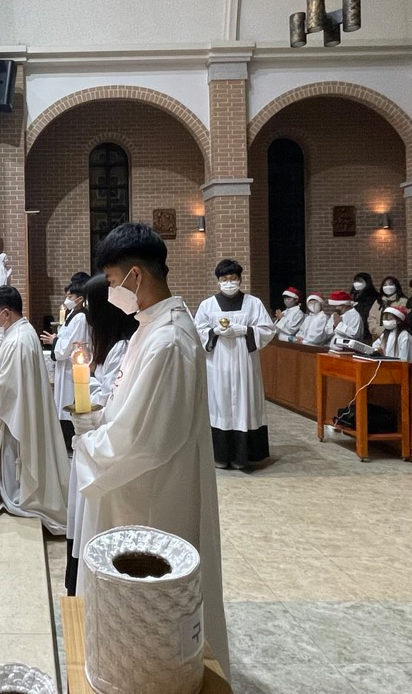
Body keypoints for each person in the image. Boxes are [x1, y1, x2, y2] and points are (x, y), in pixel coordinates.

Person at [71, 223, 229, 674]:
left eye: (113, 280)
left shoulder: (169, 340)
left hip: (150, 495)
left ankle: (146, 672)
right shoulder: (149, 326)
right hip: (135, 484)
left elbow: (145, 441)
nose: (111, 291)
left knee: (148, 611)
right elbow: (131, 406)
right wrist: (98, 417)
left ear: (135, 275)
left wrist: (88, 443)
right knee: (127, 616)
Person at [0, 286, 70, 533]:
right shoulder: (23, 332)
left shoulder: (17, 340)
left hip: (16, 417)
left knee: (12, 459)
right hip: (23, 410)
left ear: (6, 313)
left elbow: (8, 389)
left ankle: (17, 493)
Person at [65, 274, 138, 596]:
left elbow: (109, 401)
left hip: (100, 442)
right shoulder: (115, 345)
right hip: (90, 439)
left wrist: (87, 380)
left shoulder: (123, 347)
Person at [195, 259, 276, 469]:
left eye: (233, 278)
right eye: (224, 279)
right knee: (219, 403)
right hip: (218, 364)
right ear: (218, 281)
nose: (229, 283)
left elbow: (268, 329)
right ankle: (220, 455)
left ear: (240, 279)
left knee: (244, 403)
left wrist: (246, 330)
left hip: (244, 364)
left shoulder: (253, 303)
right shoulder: (207, 305)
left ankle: (243, 456)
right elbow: (197, 332)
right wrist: (214, 332)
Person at [40, 272, 91, 452]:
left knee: (68, 402)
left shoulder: (81, 317)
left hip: (72, 368)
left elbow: (69, 345)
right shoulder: (72, 315)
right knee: (62, 403)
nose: (66, 300)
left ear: (80, 299)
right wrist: (56, 338)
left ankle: (70, 442)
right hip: (64, 368)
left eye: (70, 296)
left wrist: (54, 340)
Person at [367, 276, 407, 341]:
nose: (388, 287)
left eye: (390, 284)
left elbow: (403, 320)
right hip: (377, 336)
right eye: (385, 285)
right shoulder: (378, 301)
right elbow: (371, 318)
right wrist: (377, 330)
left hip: (395, 336)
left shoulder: (403, 301)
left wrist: (387, 331)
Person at [351, 272, 380, 337]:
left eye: (360, 281)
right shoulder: (353, 296)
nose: (357, 283)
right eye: (356, 281)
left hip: (368, 329)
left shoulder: (374, 296)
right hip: (355, 327)